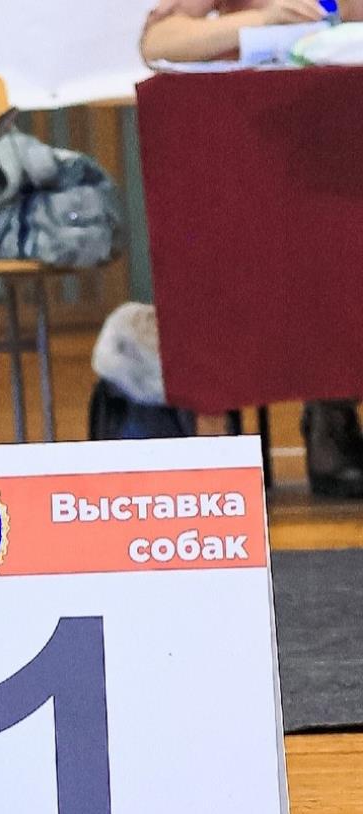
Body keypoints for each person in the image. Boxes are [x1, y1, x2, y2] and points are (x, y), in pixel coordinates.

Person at [141, 0, 363, 497]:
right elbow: (157, 44)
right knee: (234, 257)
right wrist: (260, 22)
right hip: (253, 147)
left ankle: (333, 409)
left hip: (344, 136)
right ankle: (218, 443)